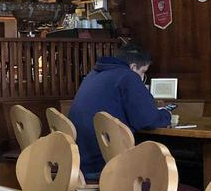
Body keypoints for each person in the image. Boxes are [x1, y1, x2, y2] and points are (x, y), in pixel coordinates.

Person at [68, 42, 171, 181]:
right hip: (107, 165)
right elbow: (147, 120)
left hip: (80, 164)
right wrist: (166, 114)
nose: (143, 77)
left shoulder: (93, 75)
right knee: (166, 163)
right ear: (133, 67)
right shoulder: (128, 77)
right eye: (143, 72)